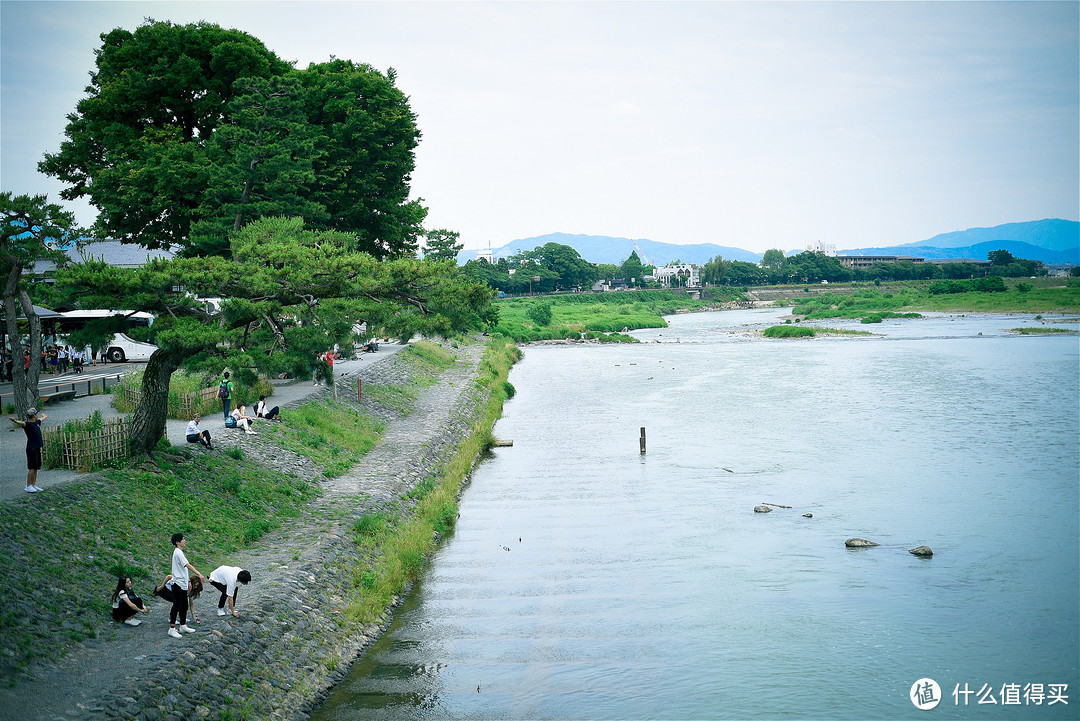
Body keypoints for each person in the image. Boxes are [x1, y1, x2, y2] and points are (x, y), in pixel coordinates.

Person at [161, 533, 205, 638]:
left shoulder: (180, 552)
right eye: (183, 539)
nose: (185, 541)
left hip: (183, 583)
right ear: (177, 542)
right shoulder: (178, 553)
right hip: (177, 584)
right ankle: (172, 629)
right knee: (176, 605)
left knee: (184, 606)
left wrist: (188, 582)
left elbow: (183, 570)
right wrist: (199, 573)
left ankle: (183, 625)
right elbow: (187, 565)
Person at [9, 407, 46, 492]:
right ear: (33, 416)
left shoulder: (37, 423)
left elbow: (41, 419)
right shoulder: (28, 425)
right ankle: (28, 485)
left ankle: (33, 484)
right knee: (32, 468)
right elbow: (22, 423)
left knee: (36, 467)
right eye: (36, 414)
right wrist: (15, 421)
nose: (37, 415)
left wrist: (45, 416)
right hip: (31, 448)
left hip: (37, 447)